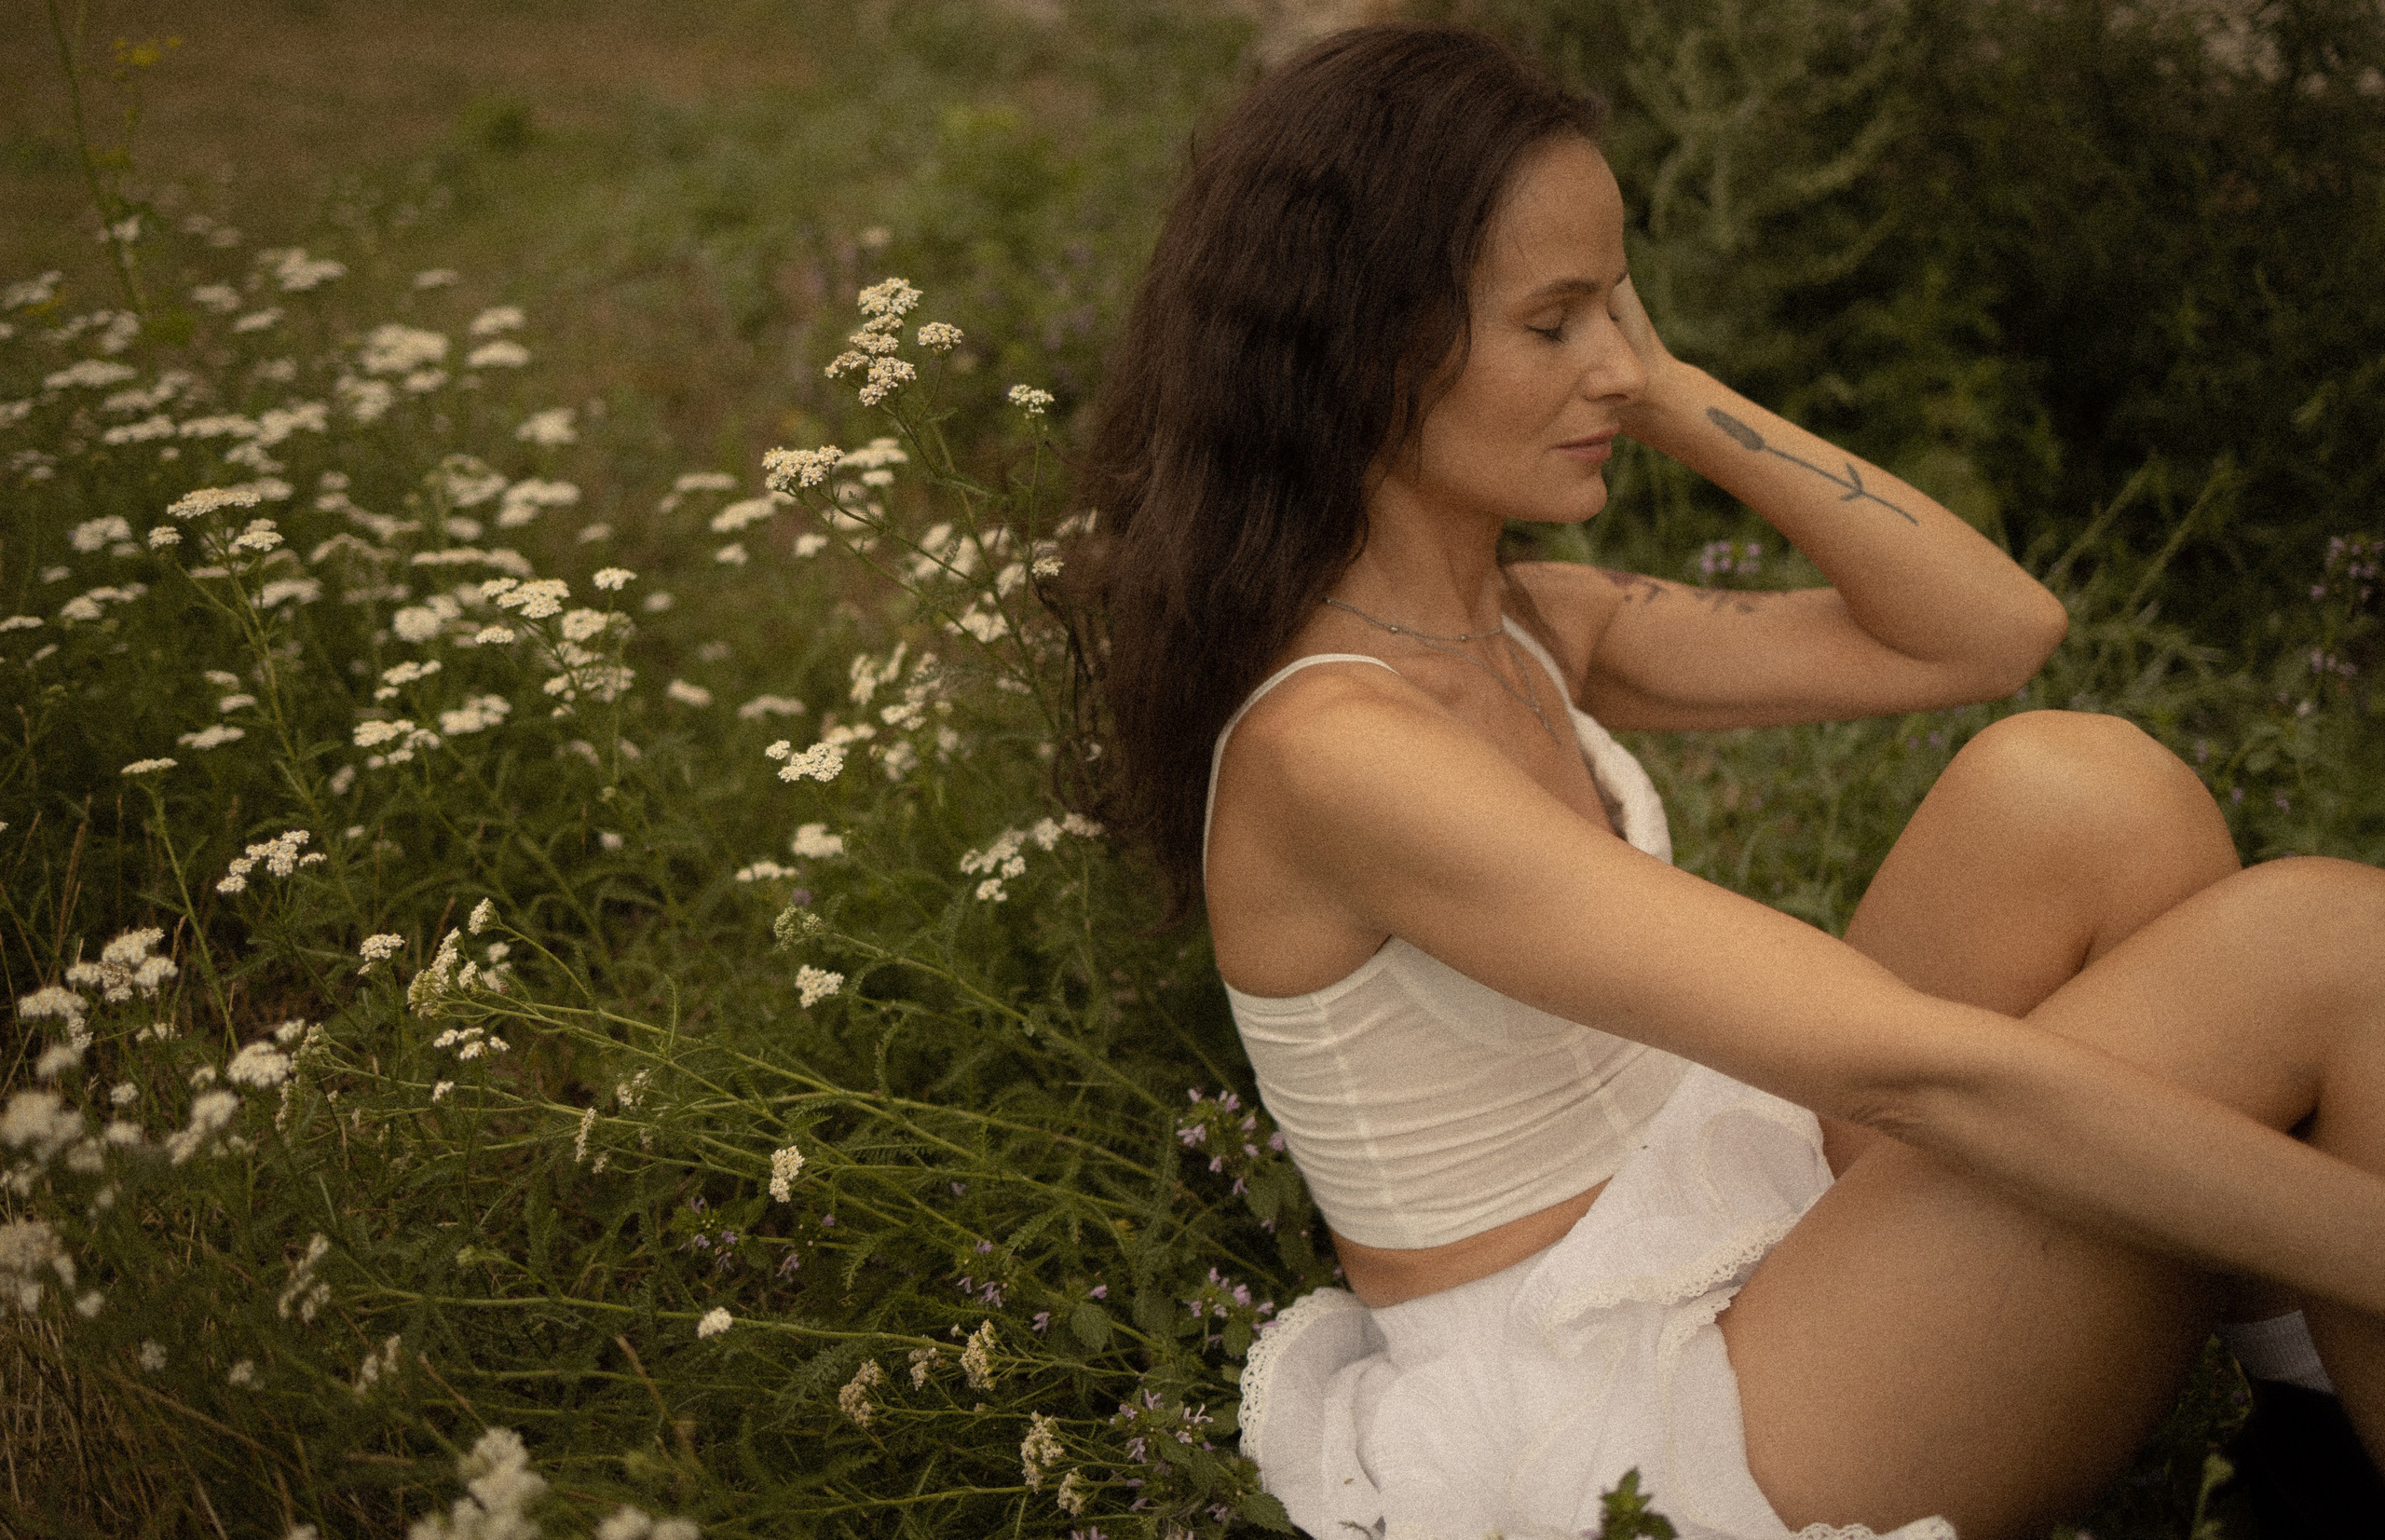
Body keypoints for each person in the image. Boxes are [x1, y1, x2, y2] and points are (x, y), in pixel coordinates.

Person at [1068, 22, 2385, 1540]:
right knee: (2328, 946)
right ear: (1365, 345)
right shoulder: (1339, 755)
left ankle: (2310, 1443)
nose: (1611, 364)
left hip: (1723, 1217)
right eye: (1553, 322)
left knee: (2084, 792)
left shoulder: (1531, 627)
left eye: (1617, 306)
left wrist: (1667, 384)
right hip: (1638, 1406)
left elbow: (1990, 632)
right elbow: (1908, 1066)